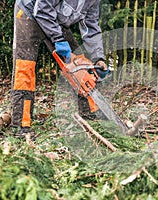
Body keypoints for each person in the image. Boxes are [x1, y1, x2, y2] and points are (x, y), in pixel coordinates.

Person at [11, 0, 108, 138]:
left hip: (54, 19)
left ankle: (91, 115)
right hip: (29, 13)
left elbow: (91, 27)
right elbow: (42, 8)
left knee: (79, 64)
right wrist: (58, 39)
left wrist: (99, 58)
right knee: (25, 68)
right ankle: (21, 125)